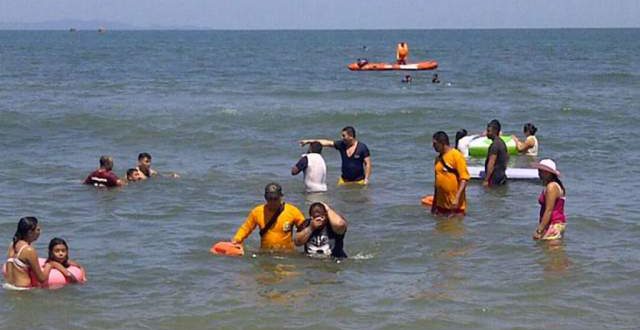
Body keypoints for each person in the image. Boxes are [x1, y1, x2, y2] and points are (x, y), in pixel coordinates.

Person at [231, 183, 306, 252]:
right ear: (265, 198)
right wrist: (237, 239)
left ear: (281, 197)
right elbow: (246, 228)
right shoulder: (257, 212)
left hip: (286, 254)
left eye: (275, 199)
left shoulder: (292, 211)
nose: (272, 202)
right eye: (270, 199)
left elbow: (305, 227)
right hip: (266, 253)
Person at [300, 126, 372, 185]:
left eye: (344, 136)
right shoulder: (341, 145)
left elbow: (367, 164)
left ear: (351, 136)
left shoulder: (362, 147)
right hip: (344, 180)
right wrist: (308, 141)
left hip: (359, 181)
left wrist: (366, 179)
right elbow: (327, 143)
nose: (342, 137)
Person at [4, 217, 58, 289]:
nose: (40, 232)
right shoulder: (29, 250)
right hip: (23, 291)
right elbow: (41, 279)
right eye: (38, 230)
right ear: (30, 232)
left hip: (9, 287)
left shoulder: (13, 244)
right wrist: (49, 265)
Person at [431, 131, 470, 216]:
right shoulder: (437, 159)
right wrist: (434, 204)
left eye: (435, 144)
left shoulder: (456, 155)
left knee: (455, 228)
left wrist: (457, 198)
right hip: (441, 206)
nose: (433, 146)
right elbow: (437, 184)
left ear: (442, 143)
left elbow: (464, 179)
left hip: (455, 206)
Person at [531, 159, 566, 241]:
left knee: (552, 252)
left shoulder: (551, 187)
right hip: (555, 224)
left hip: (553, 224)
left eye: (542, 171)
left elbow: (548, 210)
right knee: (551, 252)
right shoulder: (553, 185)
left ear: (549, 173)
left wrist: (539, 230)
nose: (539, 174)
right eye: (539, 171)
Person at [483, 119, 509, 187]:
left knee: (491, 196)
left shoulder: (495, 145)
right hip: (502, 176)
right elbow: (507, 159)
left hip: (495, 179)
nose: (487, 133)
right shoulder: (501, 142)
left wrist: (486, 180)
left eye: (488, 131)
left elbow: (491, 163)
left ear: (495, 131)